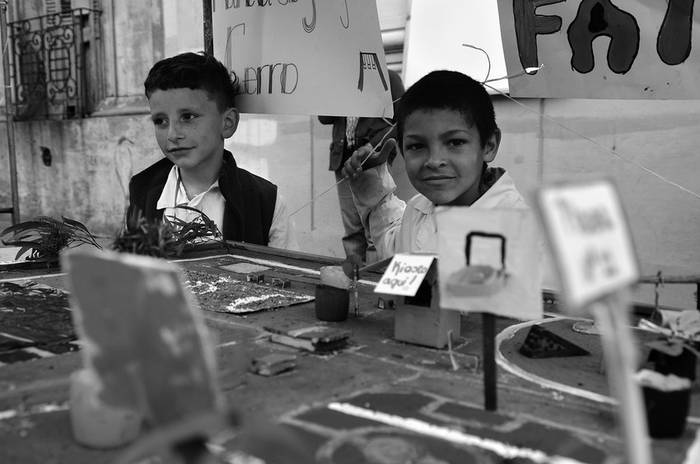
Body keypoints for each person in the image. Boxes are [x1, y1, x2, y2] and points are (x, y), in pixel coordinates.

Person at [342, 70, 527, 260]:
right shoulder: (418, 209)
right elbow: (398, 253)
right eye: (417, 146)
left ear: (489, 145)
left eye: (455, 142)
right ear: (403, 150)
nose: (434, 161)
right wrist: (371, 181)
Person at [127, 52, 297, 249]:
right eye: (160, 121)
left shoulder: (266, 202)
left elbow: (287, 275)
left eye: (187, 117)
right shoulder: (141, 191)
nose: (172, 134)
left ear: (227, 123)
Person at [318, 69, 405, 262]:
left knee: (376, 229)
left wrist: (373, 146)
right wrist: (332, 86)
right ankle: (355, 282)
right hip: (344, 160)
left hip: (373, 159)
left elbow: (401, 120)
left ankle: (374, 283)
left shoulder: (389, 78)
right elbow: (324, 118)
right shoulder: (341, 80)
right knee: (352, 229)